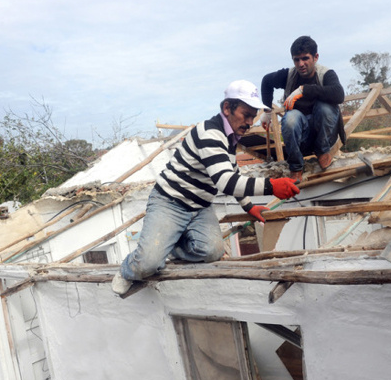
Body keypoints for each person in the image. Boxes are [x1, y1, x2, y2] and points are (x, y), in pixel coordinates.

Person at [112, 80, 301, 295]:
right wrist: (271, 186)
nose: (250, 121)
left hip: (200, 207)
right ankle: (126, 270)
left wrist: (249, 207)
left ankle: (171, 243)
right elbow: (225, 181)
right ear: (227, 108)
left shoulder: (230, 138)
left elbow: (233, 173)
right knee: (147, 264)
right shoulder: (210, 133)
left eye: (253, 115)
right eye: (246, 114)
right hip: (170, 202)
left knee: (211, 251)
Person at [260, 35, 346, 182]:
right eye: (296, 59)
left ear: (315, 57)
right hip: (302, 138)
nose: (301, 64)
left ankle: (323, 152)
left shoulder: (325, 74)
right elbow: (266, 81)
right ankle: (296, 167)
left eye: (305, 58)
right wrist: (267, 110)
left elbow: (339, 94)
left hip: (325, 135)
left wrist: (304, 90)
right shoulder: (288, 75)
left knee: (325, 107)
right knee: (291, 118)